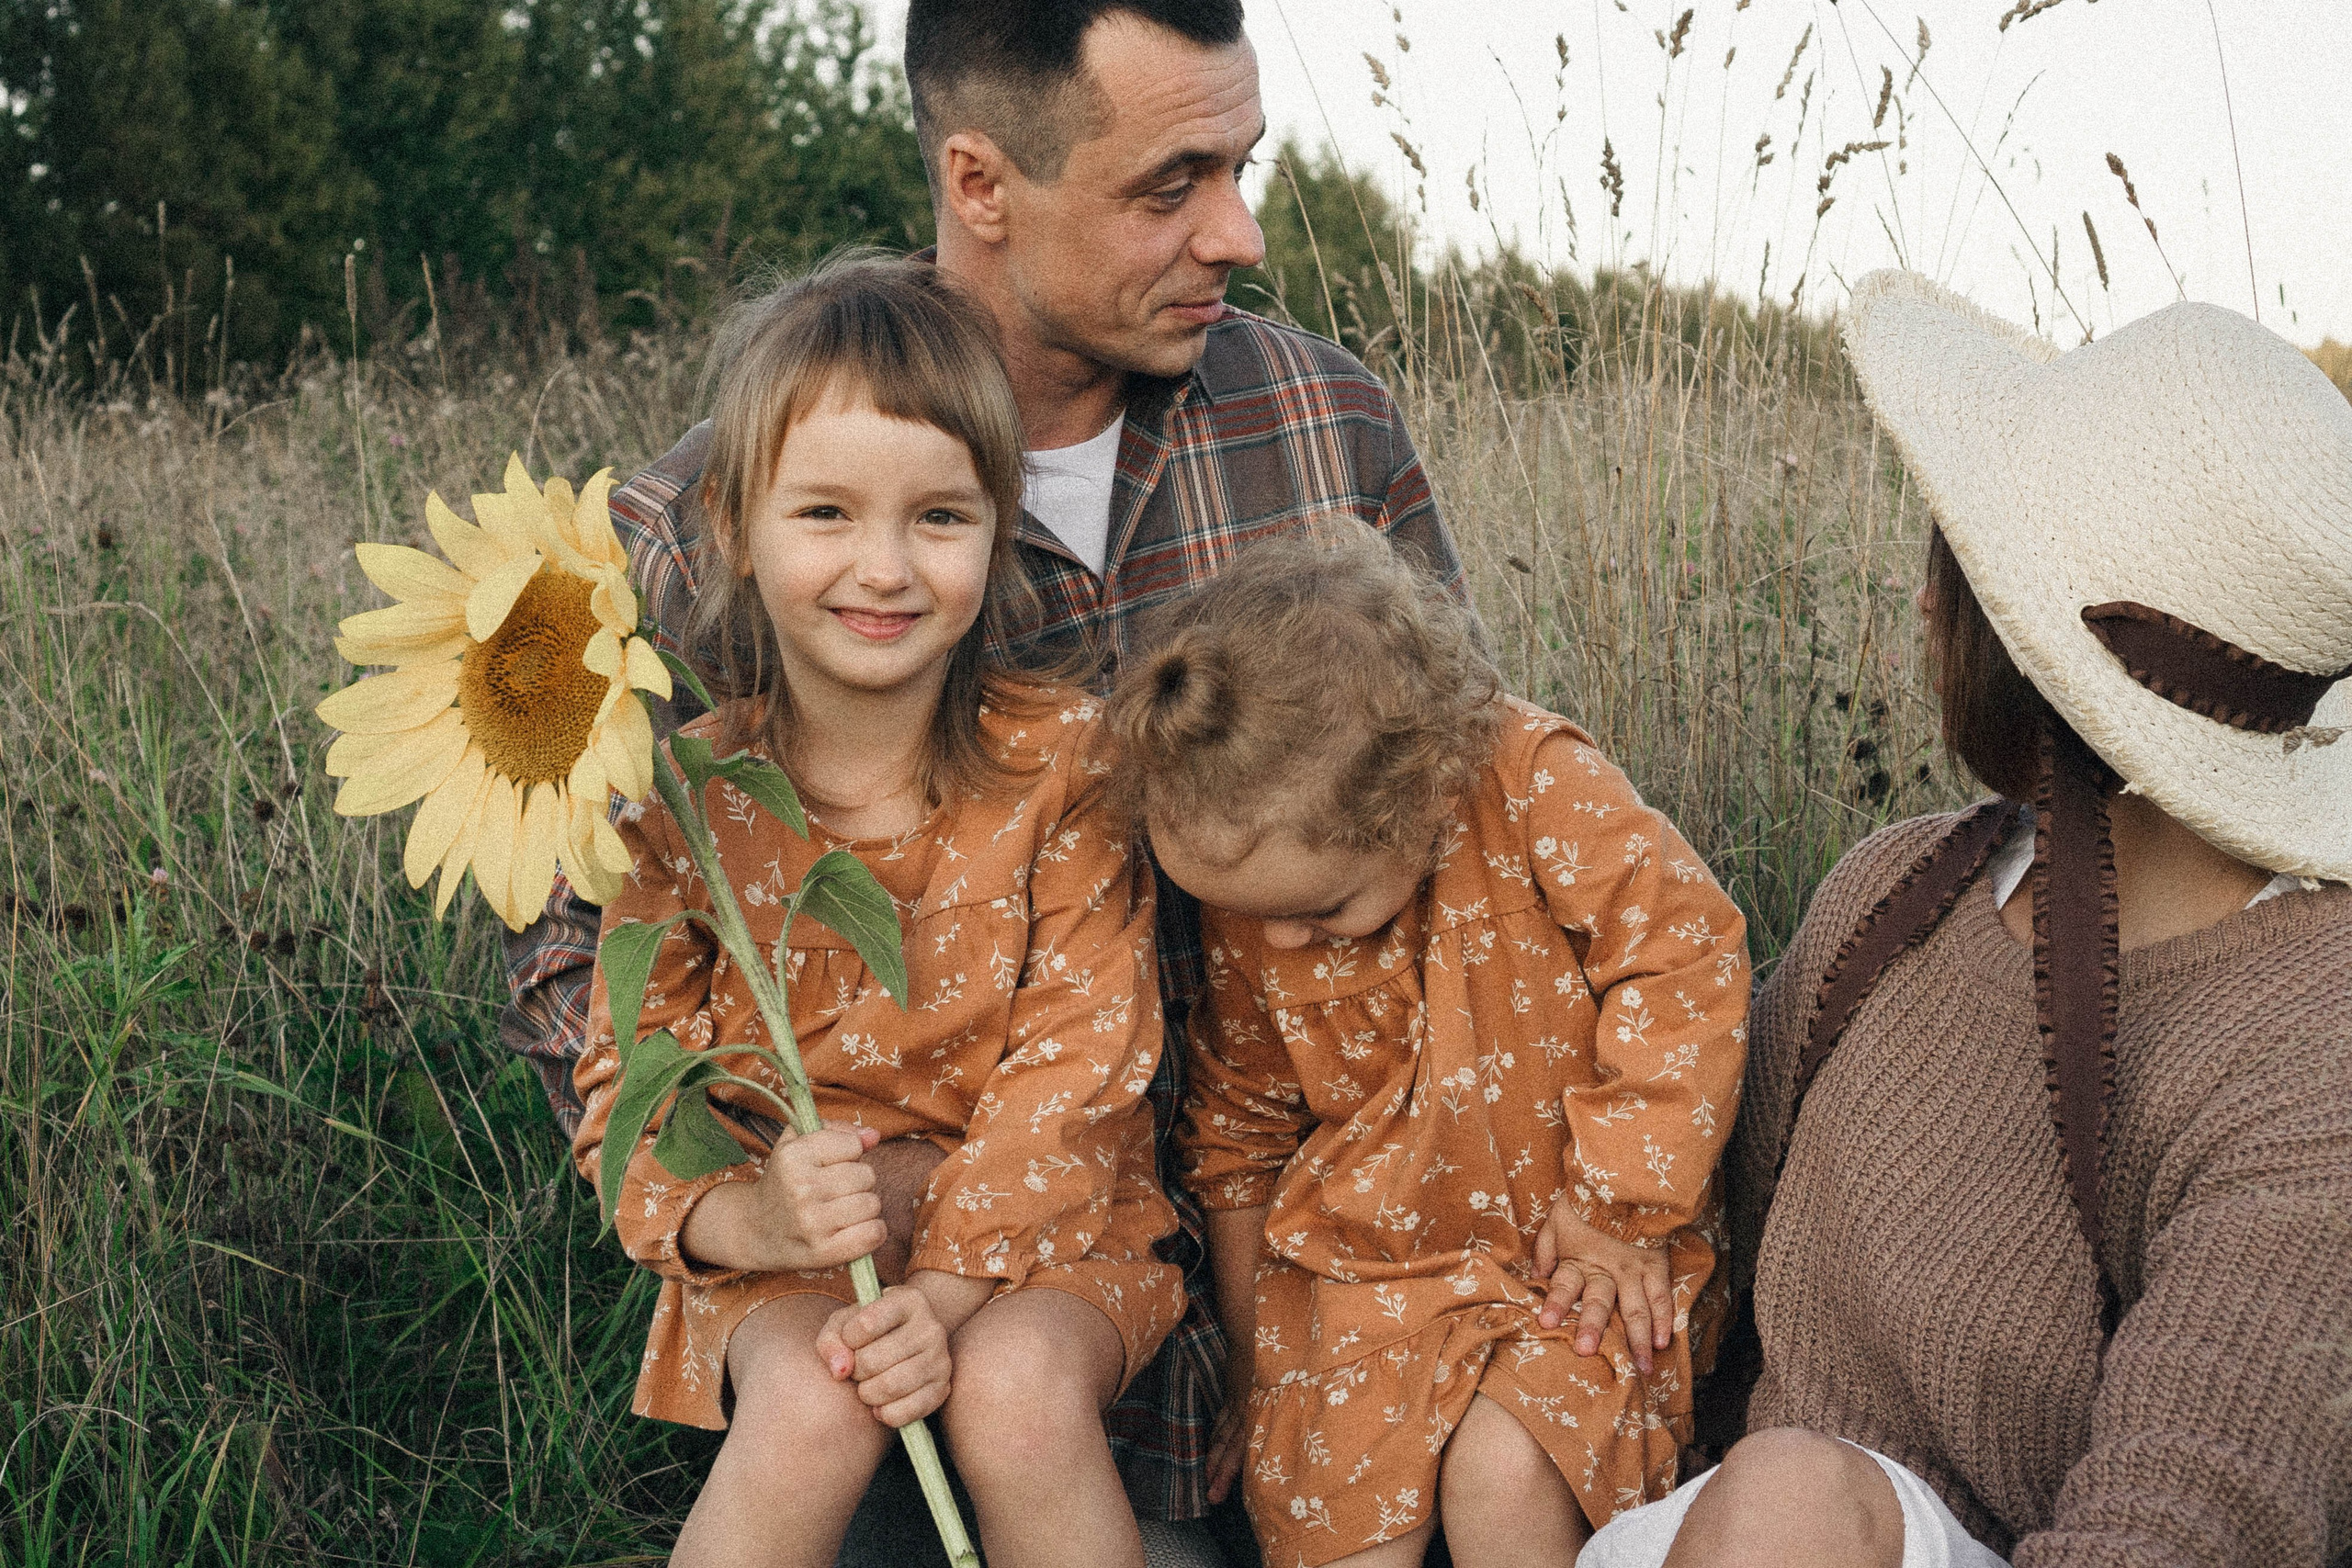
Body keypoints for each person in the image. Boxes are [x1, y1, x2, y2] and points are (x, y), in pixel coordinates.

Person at [503, 1, 1470, 1551]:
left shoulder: (1319, 423)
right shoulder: (703, 522)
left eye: (1245, 166)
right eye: (1174, 184)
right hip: (867, 1334)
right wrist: (759, 1197)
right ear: (981, 182)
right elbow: (578, 955)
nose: (1241, 233)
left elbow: (1459, 827)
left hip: (1277, 1275)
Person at [1580, 272, 2352, 1567]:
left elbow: (2184, 1523)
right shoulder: (1897, 892)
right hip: (1708, 1526)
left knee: (1787, 1504)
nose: (1928, 605)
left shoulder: (2310, 1057)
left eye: (1963, 567)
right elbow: (1699, 1237)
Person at [571, 254, 1183, 1568]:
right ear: (735, 526)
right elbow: (630, 1086)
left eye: (940, 518)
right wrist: (756, 1219)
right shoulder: (679, 795)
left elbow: (1081, 1063)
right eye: (828, 513)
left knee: (1016, 1395)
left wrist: (952, 1287)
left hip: (1045, 1235)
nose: (885, 567)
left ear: (998, 524)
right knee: (810, 1394)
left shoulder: (1066, 764)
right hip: (789, 1248)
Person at [1105, 532, 1752, 1567]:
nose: (1276, 944)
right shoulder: (1265, 884)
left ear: (1413, 789)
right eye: (1243, 917)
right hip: (1371, 1275)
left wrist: (1619, 1205)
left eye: (1317, 914)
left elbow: (1684, 956)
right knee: (1337, 1504)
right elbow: (1237, 1140)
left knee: (1506, 1472)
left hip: (1574, 1256)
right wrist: (1261, 1373)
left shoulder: (1532, 784)